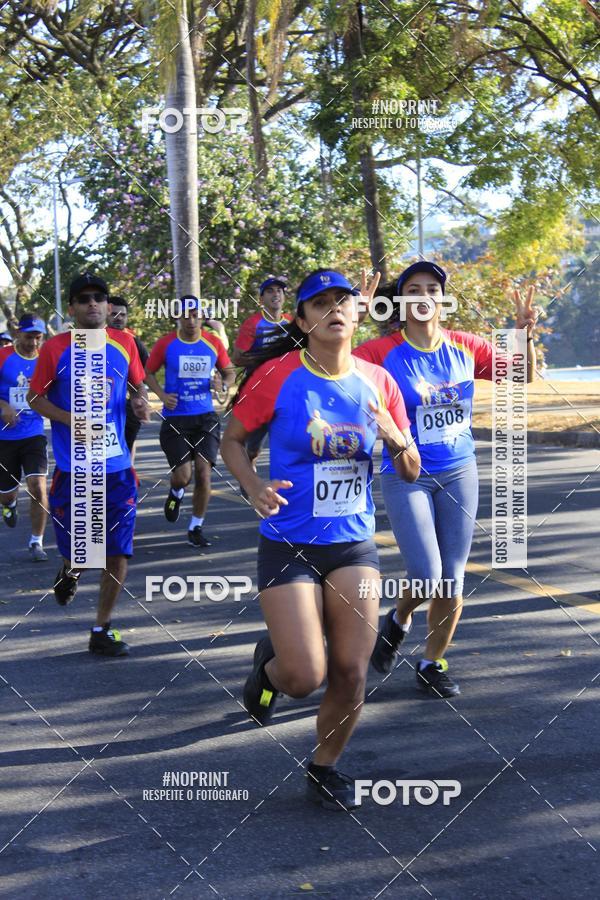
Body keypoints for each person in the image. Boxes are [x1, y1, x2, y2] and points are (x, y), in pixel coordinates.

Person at [221, 268, 420, 810]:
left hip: (352, 544)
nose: (334, 309)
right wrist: (253, 484)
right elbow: (233, 440)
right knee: (305, 674)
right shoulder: (279, 377)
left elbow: (410, 470)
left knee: (353, 670)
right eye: (320, 303)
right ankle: (269, 664)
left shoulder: (380, 383)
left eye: (344, 301)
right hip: (288, 541)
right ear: (303, 319)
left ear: (358, 313)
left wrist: (397, 438)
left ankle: (325, 766)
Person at [354, 260, 538, 697]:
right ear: (400, 301)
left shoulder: (466, 346)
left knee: (452, 580)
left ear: (442, 297)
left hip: (460, 472)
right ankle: (398, 620)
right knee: (426, 573)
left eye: (431, 288)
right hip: (407, 474)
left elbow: (522, 376)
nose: (422, 296)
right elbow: (327, 365)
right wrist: (354, 318)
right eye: (412, 289)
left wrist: (523, 335)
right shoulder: (381, 353)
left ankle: (432, 663)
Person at [28, 272, 150, 656]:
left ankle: (101, 628)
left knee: (117, 551)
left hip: (115, 467)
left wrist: (139, 401)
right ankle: (70, 570)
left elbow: (137, 385)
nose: (93, 304)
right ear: (72, 308)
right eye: (84, 299)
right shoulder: (55, 349)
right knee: (82, 549)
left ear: (108, 305)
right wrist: (70, 419)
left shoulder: (125, 342)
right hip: (73, 468)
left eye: (100, 297)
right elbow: (35, 399)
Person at [145, 295, 235, 548]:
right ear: (178, 317)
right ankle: (176, 492)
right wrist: (162, 395)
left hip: (205, 416)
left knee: (204, 474)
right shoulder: (166, 344)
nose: (192, 320)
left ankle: (196, 526)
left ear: (202, 317)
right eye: (186, 315)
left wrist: (222, 383)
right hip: (176, 418)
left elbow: (228, 372)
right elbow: (147, 372)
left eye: (196, 314)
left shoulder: (213, 343)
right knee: (183, 476)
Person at [0, 314, 49, 560]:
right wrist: (3, 405)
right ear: (18, 333)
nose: (33, 343)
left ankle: (36, 541)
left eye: (38, 337)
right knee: (7, 493)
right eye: (29, 337)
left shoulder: (46, 360)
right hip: (4, 437)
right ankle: (8, 504)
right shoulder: (3, 357)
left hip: (33, 434)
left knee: (38, 486)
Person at [231, 276, 292, 469]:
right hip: (259, 391)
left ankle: (286, 486)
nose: (275, 294)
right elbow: (238, 358)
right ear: (261, 298)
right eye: (270, 291)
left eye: (279, 291)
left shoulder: (292, 323)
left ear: (283, 297)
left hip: (287, 391)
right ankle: (250, 458)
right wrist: (265, 358)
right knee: (254, 446)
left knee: (288, 442)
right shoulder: (253, 324)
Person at [108, 296, 149, 463]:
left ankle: (129, 472)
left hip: (128, 405)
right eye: (114, 314)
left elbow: (147, 371)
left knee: (126, 445)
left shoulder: (133, 342)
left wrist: (141, 400)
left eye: (123, 315)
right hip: (101, 406)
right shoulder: (91, 340)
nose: (119, 318)